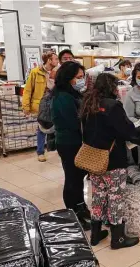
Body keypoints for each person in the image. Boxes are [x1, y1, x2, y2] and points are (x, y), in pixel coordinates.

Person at [80, 73, 140, 249]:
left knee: (98, 196)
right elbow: (126, 131)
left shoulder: (88, 103)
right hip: (113, 159)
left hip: (93, 159)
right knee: (116, 197)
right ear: (112, 87)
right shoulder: (113, 106)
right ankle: (118, 238)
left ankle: (95, 234)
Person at [51, 61, 91, 230]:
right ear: (68, 78)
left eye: (83, 77)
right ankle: (72, 213)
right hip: (69, 143)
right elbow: (74, 121)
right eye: (78, 77)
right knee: (72, 179)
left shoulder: (72, 94)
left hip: (76, 142)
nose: (81, 80)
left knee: (78, 177)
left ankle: (80, 208)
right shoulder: (63, 97)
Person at [23, 51, 59, 162]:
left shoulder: (57, 72)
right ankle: (40, 152)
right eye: (55, 59)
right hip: (41, 105)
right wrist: (26, 107)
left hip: (55, 103)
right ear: (49, 60)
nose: (57, 61)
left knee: (56, 126)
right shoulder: (36, 72)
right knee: (42, 127)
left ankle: (54, 148)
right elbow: (28, 90)